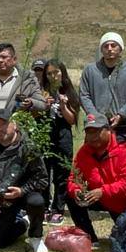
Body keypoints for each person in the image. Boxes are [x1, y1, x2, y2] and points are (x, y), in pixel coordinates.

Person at [0, 110, 50, 252]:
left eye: (4, 124)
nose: (0, 129)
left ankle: (35, 236)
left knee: (36, 202)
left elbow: (42, 178)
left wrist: (22, 190)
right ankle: (24, 224)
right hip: (1, 197)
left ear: (15, 125)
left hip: (24, 193)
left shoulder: (28, 146)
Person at [66, 114, 126, 245]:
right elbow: (73, 179)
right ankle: (89, 237)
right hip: (99, 197)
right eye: (89, 132)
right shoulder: (84, 152)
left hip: (123, 202)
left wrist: (102, 191)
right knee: (71, 198)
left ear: (109, 130)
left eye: (97, 132)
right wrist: (77, 191)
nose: (92, 137)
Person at [78, 32, 126, 142]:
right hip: (95, 126)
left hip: (122, 127)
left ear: (120, 48)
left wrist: (121, 115)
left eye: (113, 45)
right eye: (105, 46)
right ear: (101, 49)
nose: (109, 49)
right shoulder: (90, 70)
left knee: (121, 157)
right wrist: (95, 115)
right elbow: (84, 95)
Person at [0, 43, 42, 139]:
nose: (0, 60)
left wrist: (31, 102)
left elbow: (42, 103)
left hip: (16, 136)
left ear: (14, 59)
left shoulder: (27, 79)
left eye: (4, 57)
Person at [40, 59, 78, 223]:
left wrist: (63, 106)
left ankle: (58, 208)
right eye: (49, 73)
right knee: (44, 171)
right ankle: (44, 207)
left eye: (56, 72)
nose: (53, 76)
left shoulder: (69, 91)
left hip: (63, 134)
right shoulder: (42, 91)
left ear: (62, 72)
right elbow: (35, 114)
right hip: (46, 135)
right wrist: (44, 106)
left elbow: (72, 121)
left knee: (62, 172)